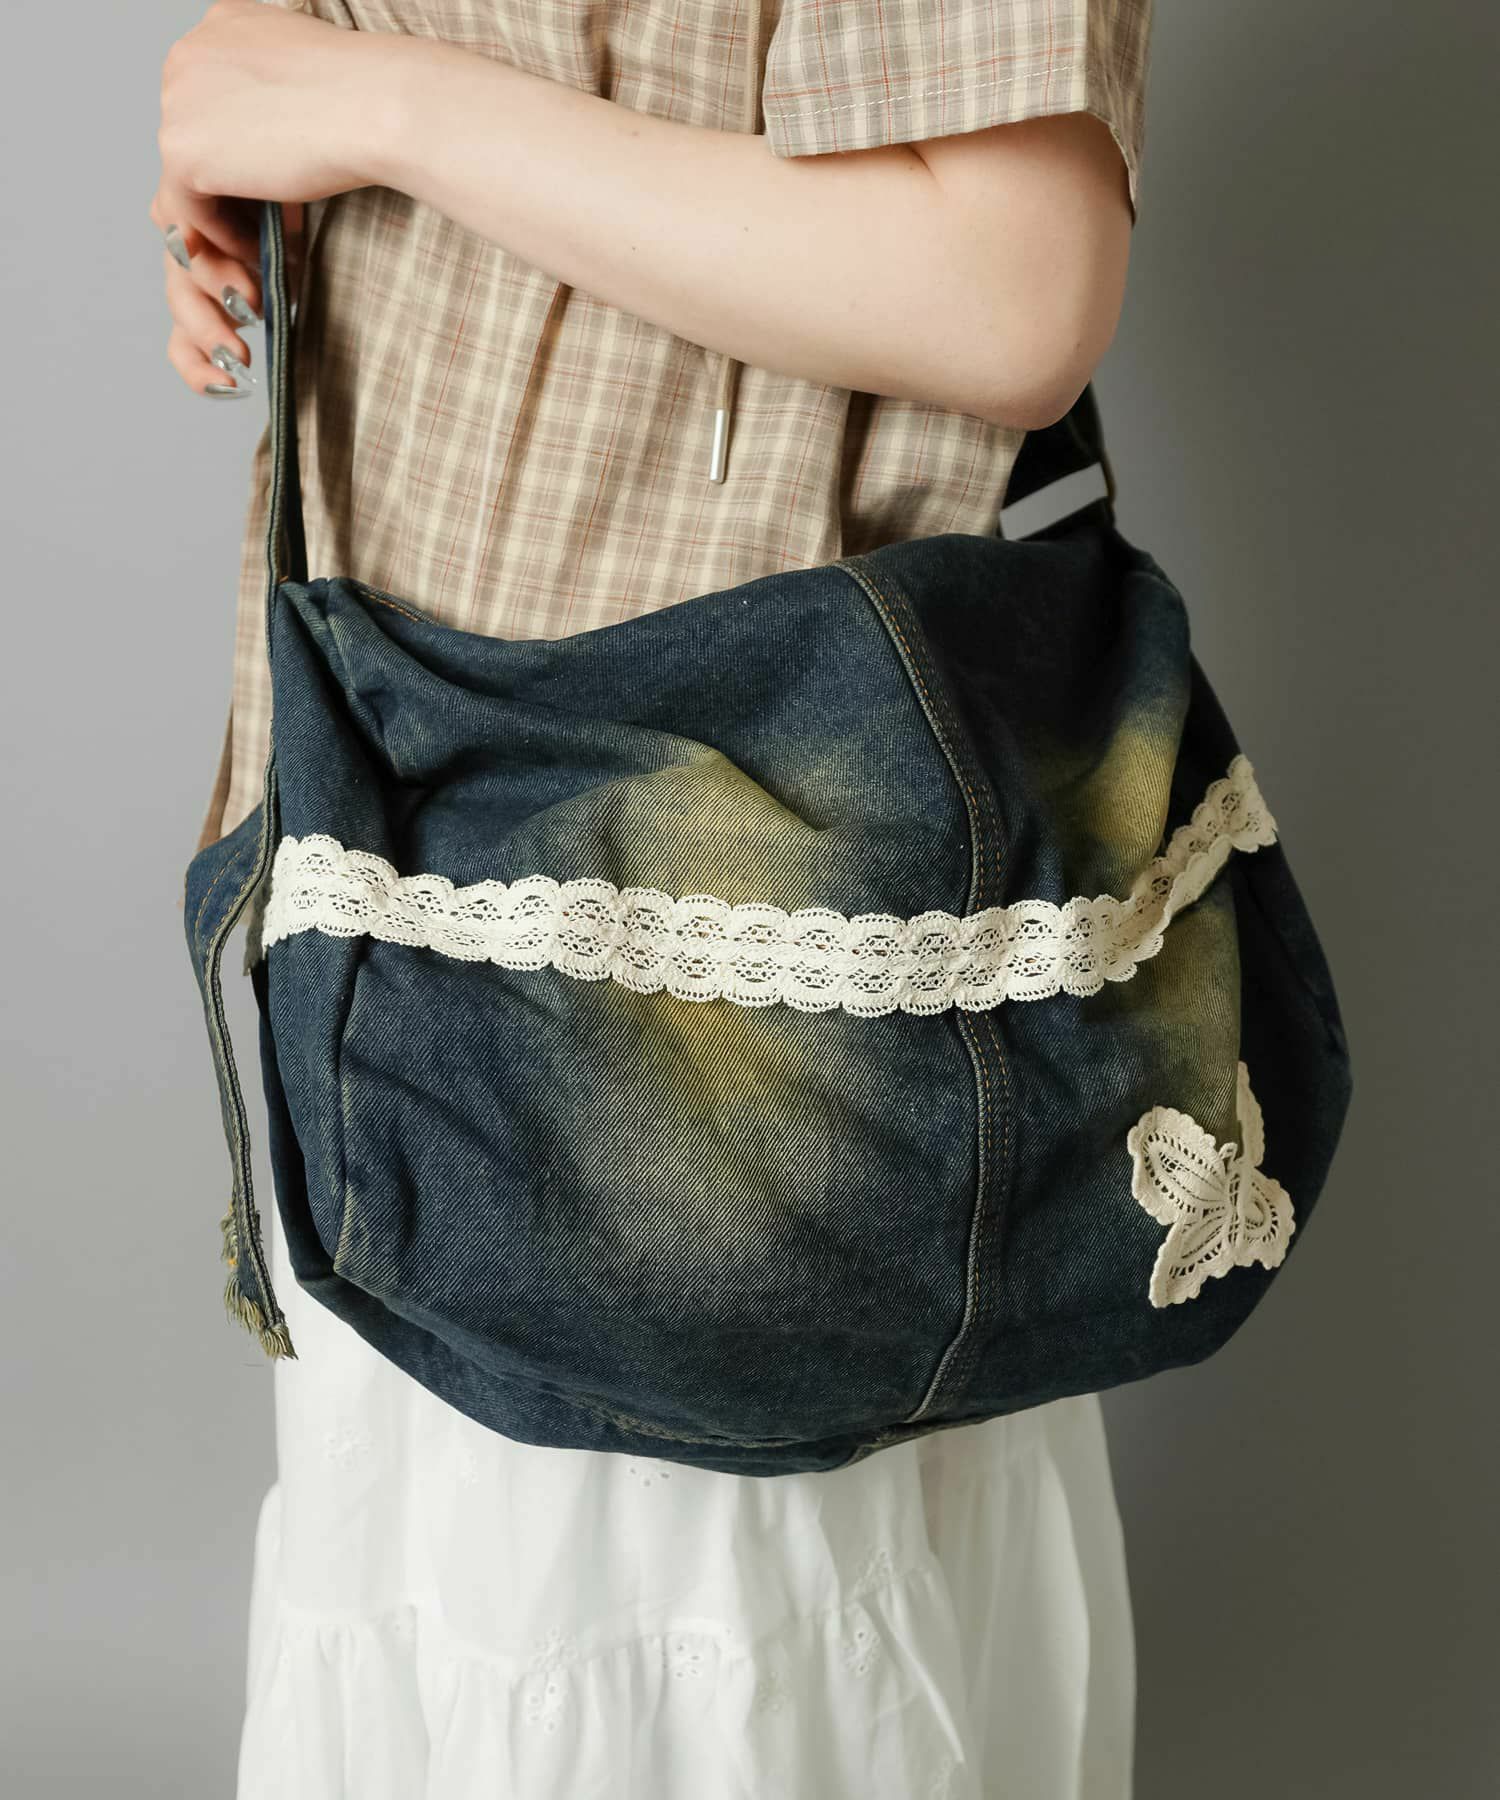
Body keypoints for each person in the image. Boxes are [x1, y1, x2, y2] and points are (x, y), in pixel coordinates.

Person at [153, 0, 1153, 1792]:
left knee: (684, 1651)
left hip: (715, 897)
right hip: (397, 784)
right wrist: (270, 124)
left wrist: (374, 102)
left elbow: (1016, 286)